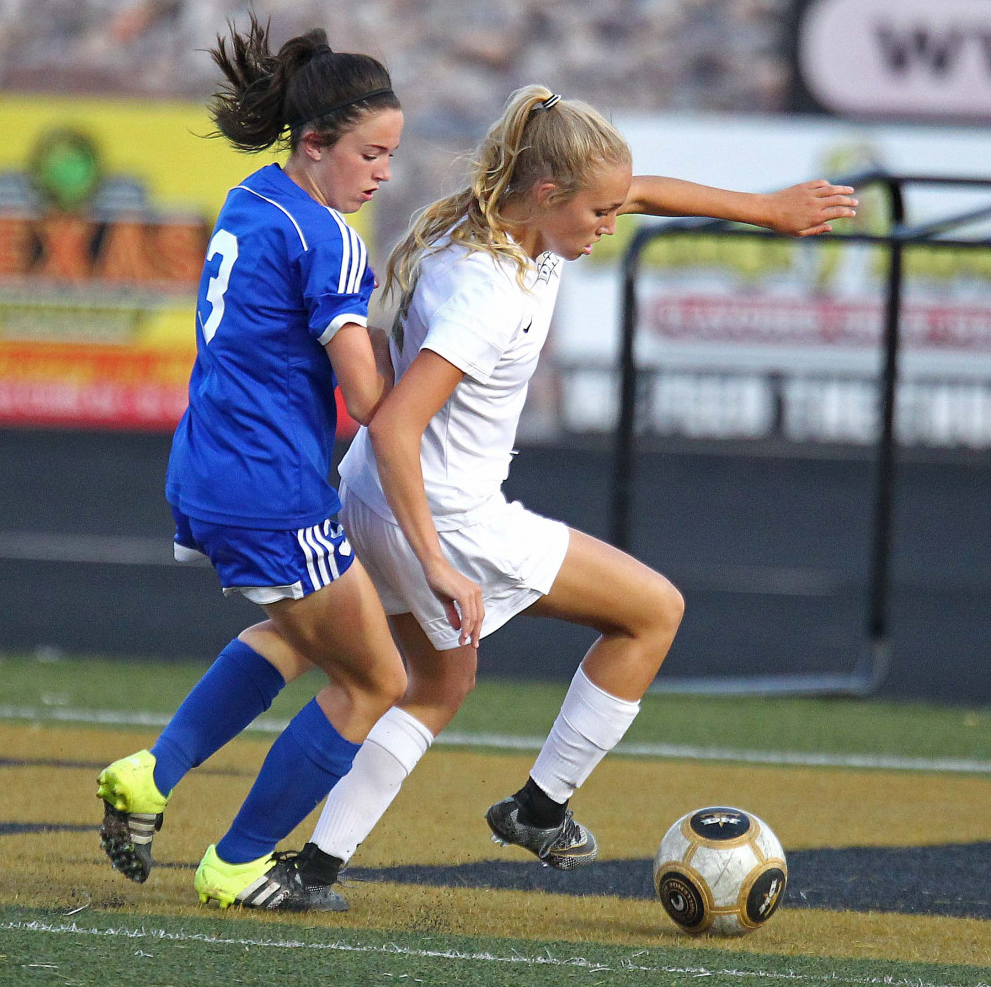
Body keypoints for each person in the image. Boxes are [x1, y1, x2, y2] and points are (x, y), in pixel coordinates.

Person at [305, 86, 857, 877]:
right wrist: (434, 559)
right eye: (599, 214)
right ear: (546, 193)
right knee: (652, 612)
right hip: (440, 514)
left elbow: (646, 190)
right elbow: (393, 424)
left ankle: (317, 865)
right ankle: (541, 809)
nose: (610, 225)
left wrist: (767, 212)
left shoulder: (497, 219)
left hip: (371, 495)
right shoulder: (489, 293)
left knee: (434, 684)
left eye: (611, 210)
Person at [95, 15, 409, 912]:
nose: (382, 172)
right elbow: (369, 401)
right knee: (376, 678)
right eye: (371, 154)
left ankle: (151, 777)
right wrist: (435, 369)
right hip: (270, 485)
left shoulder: (252, 197)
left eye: (390, 155)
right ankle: (237, 862)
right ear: (316, 144)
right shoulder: (331, 240)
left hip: (207, 466)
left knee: (294, 638)